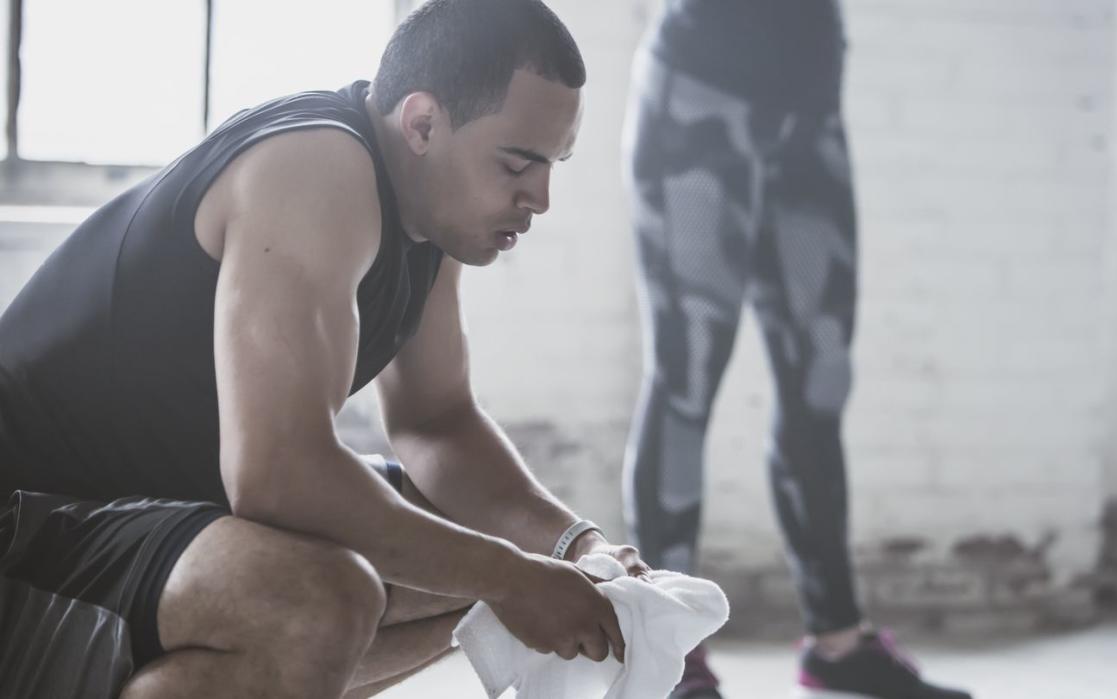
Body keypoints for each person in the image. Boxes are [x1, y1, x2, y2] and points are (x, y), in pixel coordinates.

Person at [0, 1, 652, 697]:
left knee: (471, 547)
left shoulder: (433, 214)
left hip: (151, 515)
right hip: (30, 516)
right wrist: (513, 575)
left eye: (553, 164)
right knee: (321, 597)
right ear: (424, 123)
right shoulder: (316, 165)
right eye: (518, 163)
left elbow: (439, 426)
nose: (542, 198)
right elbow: (278, 474)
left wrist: (575, 549)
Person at [622, 2, 972, 697]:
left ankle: (836, 640)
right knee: (686, 370)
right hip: (699, 83)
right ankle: (671, 651)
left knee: (821, 378)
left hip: (810, 100)